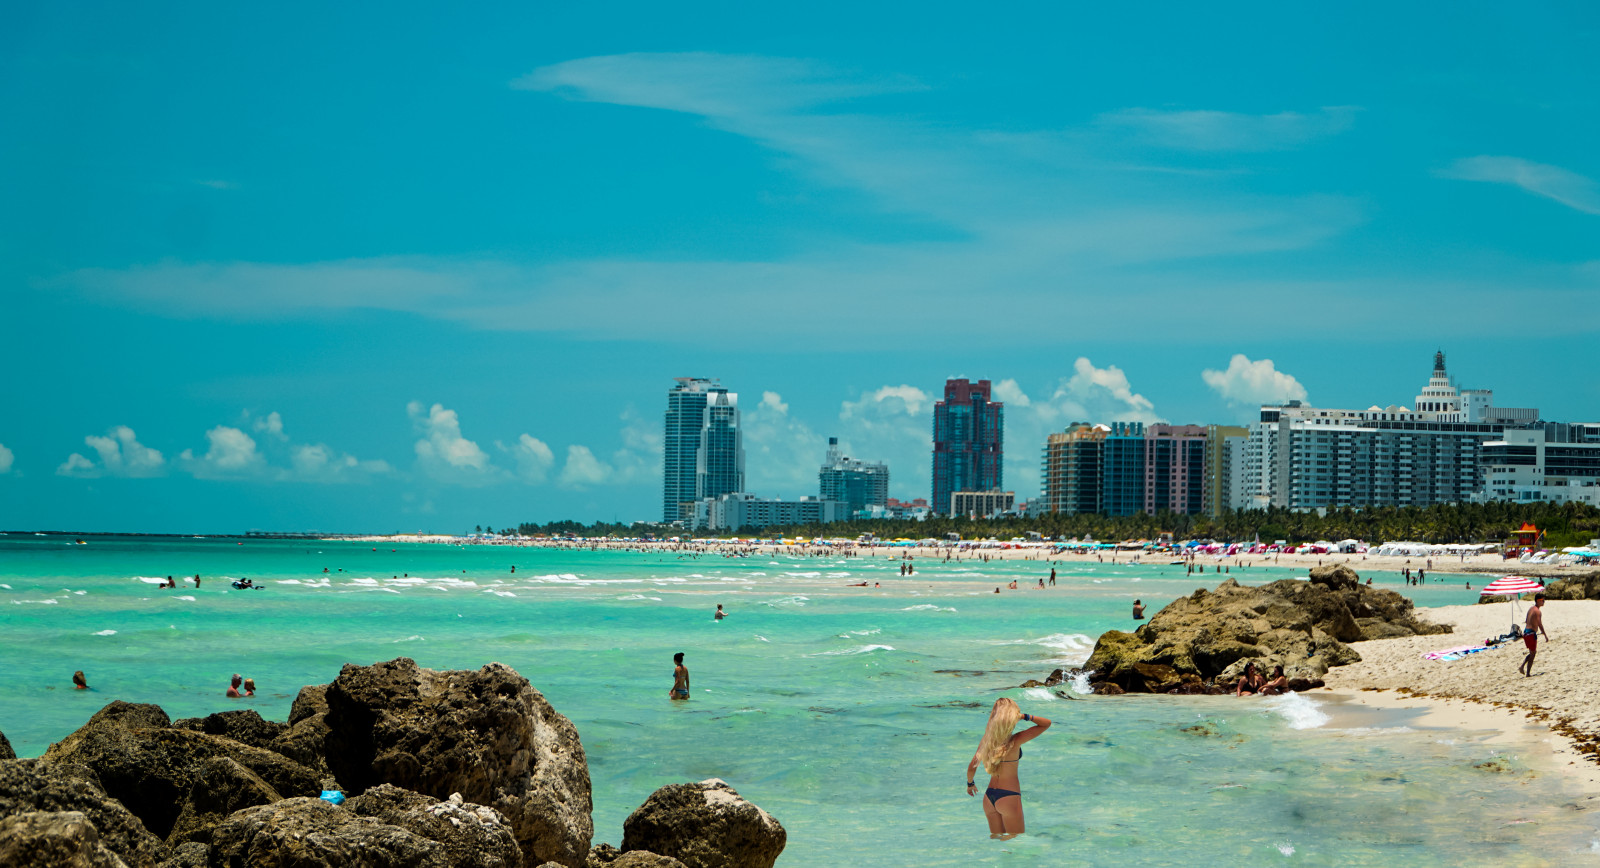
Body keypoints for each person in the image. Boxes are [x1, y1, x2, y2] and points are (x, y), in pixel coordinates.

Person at [965, 698, 1051, 838]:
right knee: (1016, 843)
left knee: (996, 839)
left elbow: (971, 766)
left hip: (988, 798)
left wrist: (970, 784)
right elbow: (1046, 723)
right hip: (1008, 797)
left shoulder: (986, 740)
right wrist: (1025, 716)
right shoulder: (1015, 740)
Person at [1519, 593, 1549, 677]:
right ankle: (1527, 672)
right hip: (1531, 634)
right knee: (1533, 654)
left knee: (1532, 652)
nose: (1544, 602)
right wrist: (1545, 635)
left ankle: (1522, 667)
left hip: (1526, 632)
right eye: (1543, 600)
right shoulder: (1537, 611)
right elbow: (1540, 624)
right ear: (1538, 601)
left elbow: (1526, 620)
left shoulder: (1531, 609)